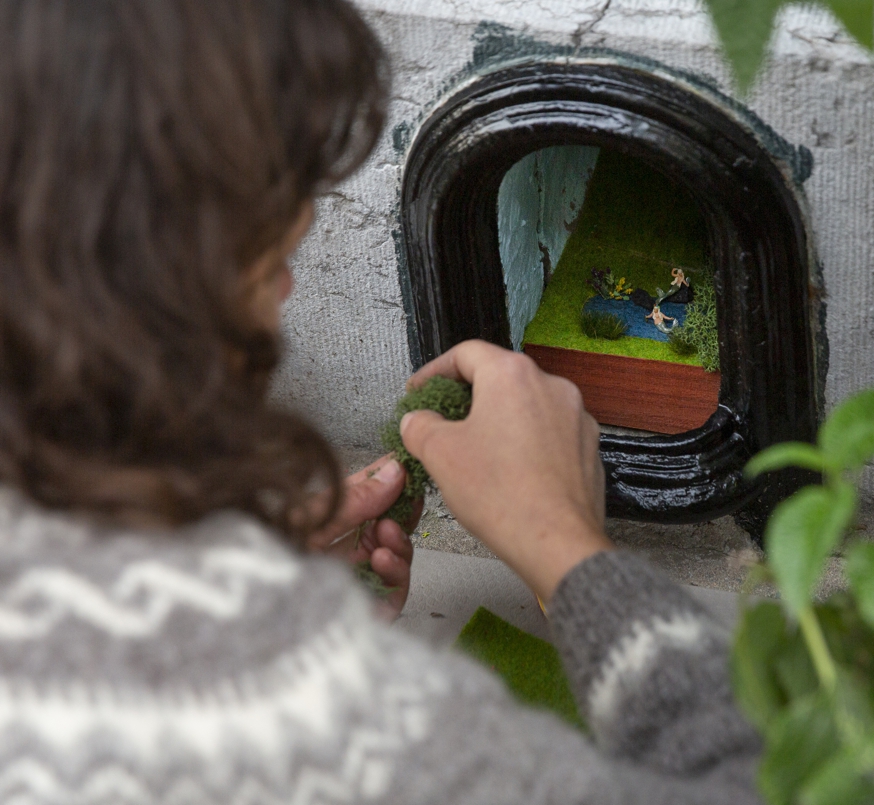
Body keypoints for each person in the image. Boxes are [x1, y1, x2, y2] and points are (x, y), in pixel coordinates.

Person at [0, 0, 763, 802]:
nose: (289, 288)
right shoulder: (282, 706)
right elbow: (756, 785)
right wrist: (565, 543)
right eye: (272, 262)